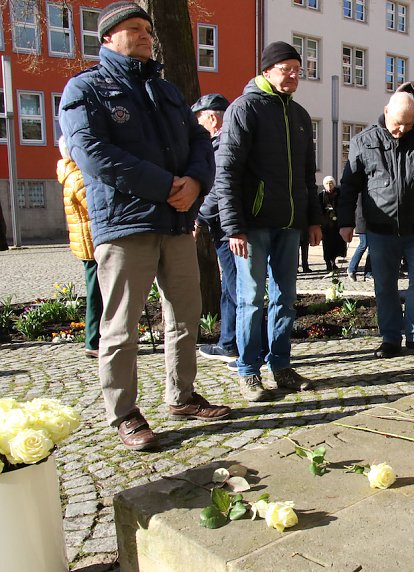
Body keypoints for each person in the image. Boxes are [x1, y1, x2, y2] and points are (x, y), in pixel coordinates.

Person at [59, 2, 230, 451]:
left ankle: (183, 395)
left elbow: (199, 142)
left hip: (176, 221)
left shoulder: (166, 90)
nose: (144, 36)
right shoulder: (86, 88)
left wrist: (195, 183)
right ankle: (125, 413)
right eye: (133, 29)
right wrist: (165, 185)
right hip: (125, 223)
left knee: (185, 315)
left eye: (148, 31)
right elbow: (91, 154)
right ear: (108, 38)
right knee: (121, 325)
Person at [216, 41, 322, 401]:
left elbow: (308, 175)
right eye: (285, 69)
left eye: (297, 69)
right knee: (250, 300)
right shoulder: (244, 109)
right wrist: (233, 226)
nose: (293, 75)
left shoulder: (300, 116)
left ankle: (281, 366)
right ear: (266, 71)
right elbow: (227, 171)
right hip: (253, 226)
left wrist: (312, 220)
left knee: (285, 300)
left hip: (289, 224)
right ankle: (248, 371)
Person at [338, 88, 414, 358]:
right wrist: (346, 222)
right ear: (386, 112)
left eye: (408, 124)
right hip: (381, 229)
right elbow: (349, 185)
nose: (402, 131)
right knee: (385, 285)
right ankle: (391, 338)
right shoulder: (364, 141)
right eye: (398, 124)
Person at [191, 93, 241, 364]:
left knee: (235, 285)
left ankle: (236, 344)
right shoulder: (228, 141)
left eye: (198, 121)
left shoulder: (222, 144)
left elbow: (219, 187)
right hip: (229, 223)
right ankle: (232, 341)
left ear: (211, 118)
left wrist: (198, 214)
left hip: (227, 225)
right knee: (234, 285)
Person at [57, 136, 102, 359]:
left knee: (97, 291)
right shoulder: (77, 177)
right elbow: (94, 206)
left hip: (87, 241)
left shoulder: (71, 174)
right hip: (91, 242)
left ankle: (95, 338)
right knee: (96, 293)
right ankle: (93, 340)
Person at [319, 175, 347, 272]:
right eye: (327, 183)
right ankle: (328, 263)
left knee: (336, 245)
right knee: (327, 246)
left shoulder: (339, 194)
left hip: (337, 225)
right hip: (326, 226)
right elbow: (319, 210)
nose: (329, 185)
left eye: (331, 183)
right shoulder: (321, 196)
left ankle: (333, 262)